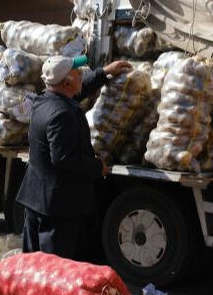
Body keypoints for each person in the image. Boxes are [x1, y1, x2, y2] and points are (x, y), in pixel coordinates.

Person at [16, 55, 132, 258]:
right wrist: (98, 168)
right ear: (67, 82)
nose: (82, 75)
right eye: (78, 73)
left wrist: (104, 73)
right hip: (56, 207)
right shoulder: (61, 115)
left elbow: (77, 92)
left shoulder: (43, 100)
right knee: (53, 266)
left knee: (31, 264)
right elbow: (64, 159)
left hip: (37, 199)